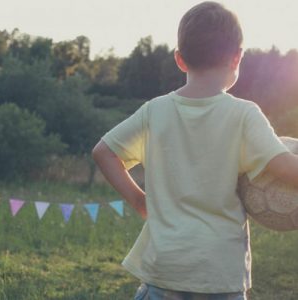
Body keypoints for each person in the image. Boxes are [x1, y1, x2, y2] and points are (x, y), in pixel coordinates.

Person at [92, 2, 298, 299]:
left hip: (163, 271)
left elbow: (104, 151)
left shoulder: (155, 111)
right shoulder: (243, 115)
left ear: (180, 59)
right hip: (219, 276)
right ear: (237, 57)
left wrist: (140, 200)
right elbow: (285, 168)